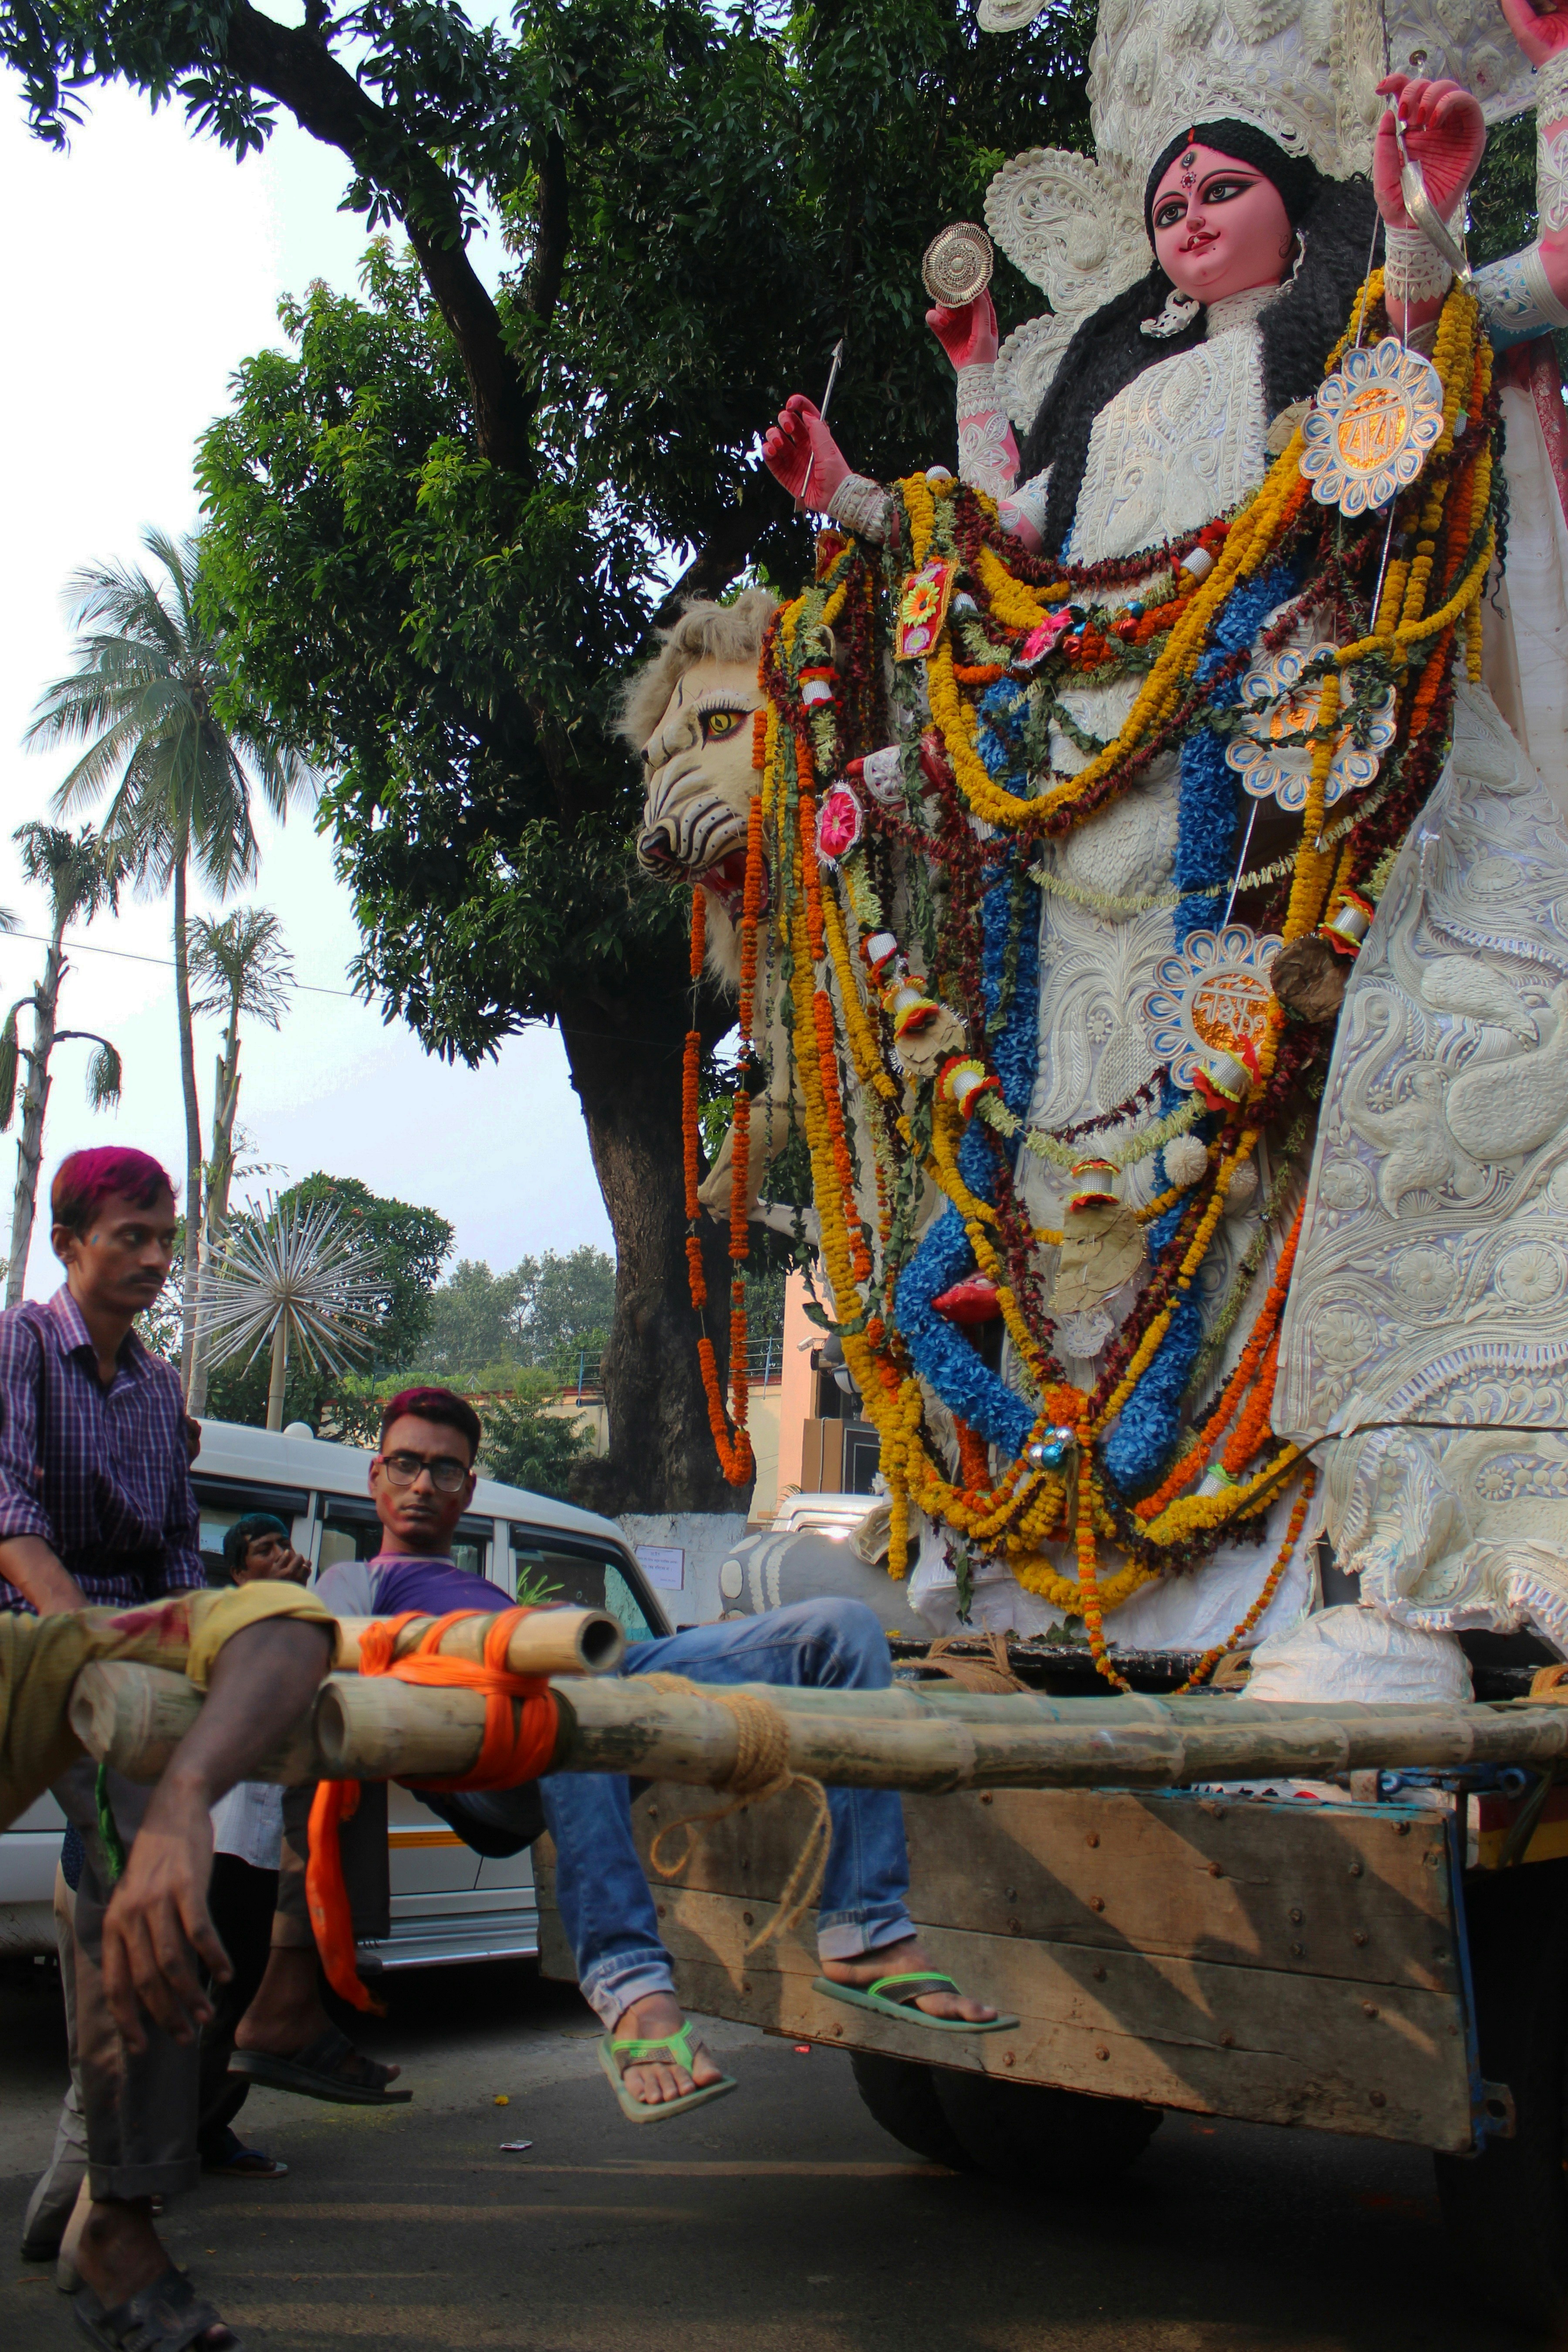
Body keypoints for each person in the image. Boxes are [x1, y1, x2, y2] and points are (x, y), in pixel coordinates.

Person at [308, 1386, 1007, 2120]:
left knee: (845, 1630)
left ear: (469, 1489)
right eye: (406, 1465)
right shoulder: (352, 1583)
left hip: (583, 1673)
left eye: (445, 1471)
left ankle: (867, 1932)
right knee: (572, 1677)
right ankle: (632, 1989)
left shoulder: (476, 1585)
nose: (423, 1485)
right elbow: (324, 1663)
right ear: (375, 1476)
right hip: (502, 1736)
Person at [0, 1524, 335, 2348]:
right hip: (75, 1676)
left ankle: (112, 2221)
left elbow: (219, 1603)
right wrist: (99, 1653)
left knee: (158, 1984)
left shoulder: (149, 1402)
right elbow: (15, 1525)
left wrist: (182, 1789)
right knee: (107, 2055)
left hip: (114, 1709)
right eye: (261, 1554)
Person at [194, 1516, 314, 2182]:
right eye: (262, 1551)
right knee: (220, 1988)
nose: (279, 1555)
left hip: (269, 1838)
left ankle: (207, 2124)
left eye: (281, 1545)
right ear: (240, 1572)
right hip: (226, 1837)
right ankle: (189, 2130)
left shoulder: (299, 1616)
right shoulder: (235, 1621)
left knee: (246, 1989)